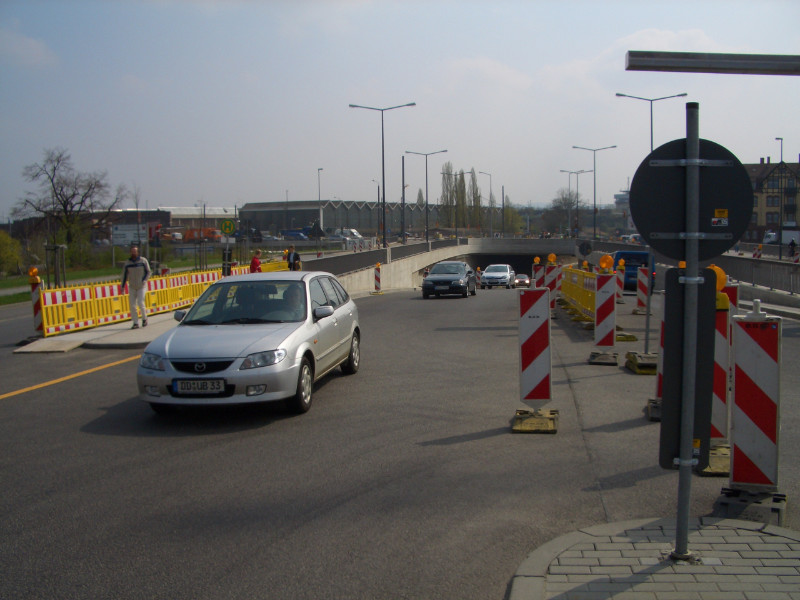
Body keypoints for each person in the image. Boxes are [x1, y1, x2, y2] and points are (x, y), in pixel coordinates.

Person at [121, 245, 151, 329]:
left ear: (138, 252)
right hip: (132, 286)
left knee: (141, 303)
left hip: (141, 286)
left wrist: (144, 280)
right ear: (130, 252)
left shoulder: (143, 261)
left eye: (135, 251)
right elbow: (124, 275)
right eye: (132, 251)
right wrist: (122, 286)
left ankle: (144, 318)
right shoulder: (127, 263)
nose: (134, 253)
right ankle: (135, 322)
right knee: (132, 305)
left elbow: (148, 272)